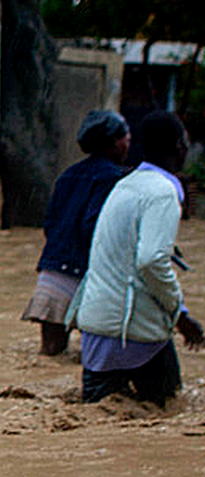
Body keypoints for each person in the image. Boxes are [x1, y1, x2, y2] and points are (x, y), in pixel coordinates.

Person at [66, 110, 204, 405]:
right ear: (180, 147)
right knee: (167, 410)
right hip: (136, 334)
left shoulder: (125, 185)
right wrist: (178, 312)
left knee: (97, 415)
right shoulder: (162, 193)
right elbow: (152, 261)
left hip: (97, 328)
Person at [21, 110, 131, 355]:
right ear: (114, 142)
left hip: (52, 273)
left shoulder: (67, 175)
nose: (128, 144)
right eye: (126, 138)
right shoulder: (113, 179)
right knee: (93, 355)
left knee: (50, 353)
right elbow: (96, 228)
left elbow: (49, 224)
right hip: (88, 275)